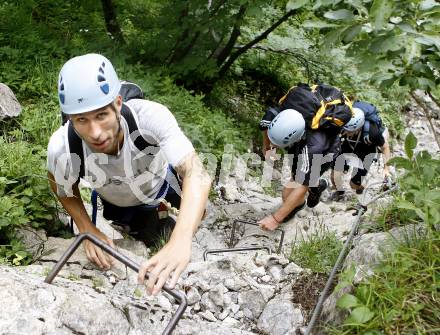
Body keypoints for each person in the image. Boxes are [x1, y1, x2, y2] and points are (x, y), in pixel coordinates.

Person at [47, 53, 211, 295]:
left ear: (118, 104)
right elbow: (60, 184)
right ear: (70, 118)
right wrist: (86, 227)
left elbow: (196, 173)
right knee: (151, 236)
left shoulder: (149, 118)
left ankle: (178, 225)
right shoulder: (63, 145)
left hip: (163, 181)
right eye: (82, 120)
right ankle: (159, 222)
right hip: (120, 202)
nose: (96, 133)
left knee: (198, 213)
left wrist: (182, 239)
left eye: (102, 115)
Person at [258, 108, 341, 231]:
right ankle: (300, 202)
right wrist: (267, 145)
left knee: (291, 191)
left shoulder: (313, 149)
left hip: (326, 152)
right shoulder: (283, 112)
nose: (275, 146)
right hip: (302, 141)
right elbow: (265, 124)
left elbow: (302, 184)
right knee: (289, 195)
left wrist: (275, 219)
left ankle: (316, 187)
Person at [330, 103, 391, 200]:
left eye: (350, 131)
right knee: (334, 176)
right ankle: (339, 192)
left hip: (366, 152)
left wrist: (386, 168)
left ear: (358, 128)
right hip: (347, 146)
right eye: (345, 129)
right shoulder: (343, 125)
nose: (346, 132)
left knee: (353, 185)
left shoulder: (372, 132)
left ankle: (360, 187)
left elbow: (385, 147)